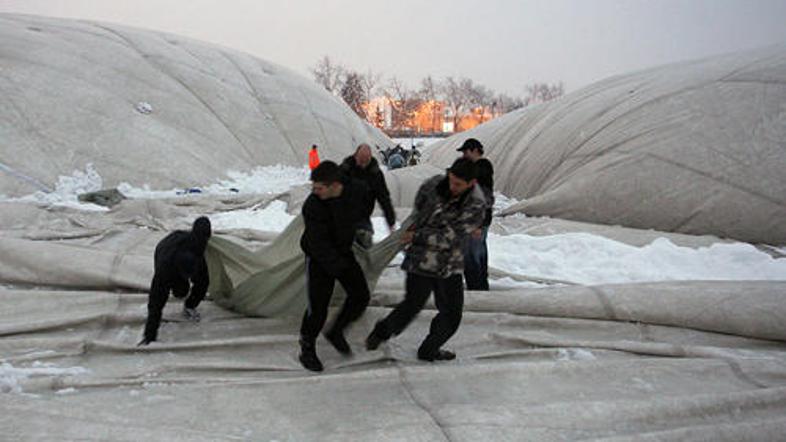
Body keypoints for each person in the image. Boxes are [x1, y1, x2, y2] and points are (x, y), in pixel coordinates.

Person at [365, 158, 486, 362]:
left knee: (452, 313)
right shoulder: (434, 184)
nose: (452, 186)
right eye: (451, 180)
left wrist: (416, 236)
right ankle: (380, 333)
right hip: (421, 259)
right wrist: (414, 230)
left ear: (471, 183)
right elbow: (418, 211)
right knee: (413, 303)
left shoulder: (476, 204)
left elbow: (450, 237)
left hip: (448, 263)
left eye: (458, 184)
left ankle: (429, 349)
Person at [298, 161, 374, 372]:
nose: (314, 192)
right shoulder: (312, 205)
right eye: (313, 187)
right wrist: (339, 269)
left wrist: (362, 228)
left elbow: (365, 204)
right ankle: (307, 347)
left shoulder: (355, 190)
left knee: (361, 296)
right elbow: (318, 244)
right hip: (318, 257)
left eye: (319, 188)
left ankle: (336, 331)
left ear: (334, 185)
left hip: (343, 250)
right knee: (317, 308)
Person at [139, 216, 212, 346]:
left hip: (183, 248)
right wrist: (149, 335)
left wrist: (191, 303)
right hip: (164, 249)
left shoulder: (199, 247)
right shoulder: (165, 268)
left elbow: (203, 280)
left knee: (203, 281)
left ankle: (190, 305)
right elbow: (155, 302)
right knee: (179, 292)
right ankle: (179, 287)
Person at [340, 143, 396, 248]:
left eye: (366, 161)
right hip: (342, 216)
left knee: (365, 241)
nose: (363, 165)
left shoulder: (375, 174)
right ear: (355, 156)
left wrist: (391, 221)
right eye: (361, 161)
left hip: (363, 218)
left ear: (370, 158)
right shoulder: (345, 170)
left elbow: (384, 198)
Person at [458, 138, 494, 290]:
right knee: (478, 252)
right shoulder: (480, 169)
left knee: (472, 254)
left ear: (474, 150)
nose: (464, 156)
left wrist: (478, 223)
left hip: (477, 219)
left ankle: (476, 287)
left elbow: (483, 198)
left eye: (466, 152)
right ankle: (480, 286)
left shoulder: (482, 168)